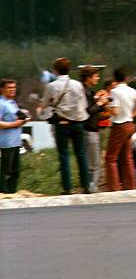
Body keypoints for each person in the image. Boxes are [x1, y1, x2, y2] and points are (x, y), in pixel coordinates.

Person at [42, 58, 90, 194]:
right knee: (81, 154)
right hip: (78, 123)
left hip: (62, 123)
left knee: (63, 155)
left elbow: (45, 104)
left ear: (55, 70)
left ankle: (67, 188)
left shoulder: (51, 86)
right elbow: (84, 105)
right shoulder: (78, 85)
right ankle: (86, 186)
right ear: (69, 69)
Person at [104, 68, 136, 192]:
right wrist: (132, 115)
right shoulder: (131, 90)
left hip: (119, 125)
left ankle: (114, 187)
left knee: (110, 158)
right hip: (130, 124)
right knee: (127, 157)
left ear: (115, 79)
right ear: (126, 78)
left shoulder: (114, 92)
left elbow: (115, 112)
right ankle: (130, 185)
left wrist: (106, 105)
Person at [80, 66, 109, 193]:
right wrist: (100, 103)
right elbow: (89, 111)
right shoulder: (84, 92)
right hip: (89, 129)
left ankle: (89, 186)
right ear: (88, 77)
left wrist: (102, 104)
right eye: (95, 76)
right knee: (94, 162)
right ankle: (92, 187)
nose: (98, 78)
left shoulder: (87, 91)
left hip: (87, 129)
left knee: (90, 160)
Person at [0, 79, 29, 193]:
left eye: (14, 87)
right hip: (6, 142)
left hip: (16, 141)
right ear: (2, 89)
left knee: (15, 170)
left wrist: (23, 120)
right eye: (9, 87)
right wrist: (15, 124)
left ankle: (12, 192)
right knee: (5, 170)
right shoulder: (1, 103)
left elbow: (17, 119)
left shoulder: (13, 103)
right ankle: (3, 192)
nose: (12, 90)